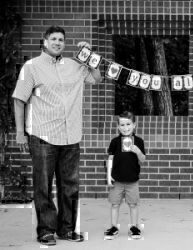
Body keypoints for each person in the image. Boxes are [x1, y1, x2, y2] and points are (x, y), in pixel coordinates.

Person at [12, 25, 102, 246]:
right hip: (43, 137)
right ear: (44, 41)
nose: (58, 42)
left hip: (71, 137)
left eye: (61, 39)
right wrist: (20, 133)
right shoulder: (31, 67)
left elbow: (97, 77)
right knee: (43, 186)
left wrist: (89, 55)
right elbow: (19, 100)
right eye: (53, 39)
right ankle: (46, 231)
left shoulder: (74, 65)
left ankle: (67, 229)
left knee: (70, 186)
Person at [104, 111, 146, 240]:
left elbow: (143, 160)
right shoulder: (115, 142)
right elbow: (110, 158)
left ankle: (134, 226)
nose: (125, 127)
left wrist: (138, 151)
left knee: (133, 204)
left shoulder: (138, 141)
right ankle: (114, 227)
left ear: (134, 125)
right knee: (115, 204)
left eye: (128, 124)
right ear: (118, 126)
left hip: (132, 181)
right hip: (117, 180)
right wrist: (108, 174)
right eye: (122, 125)